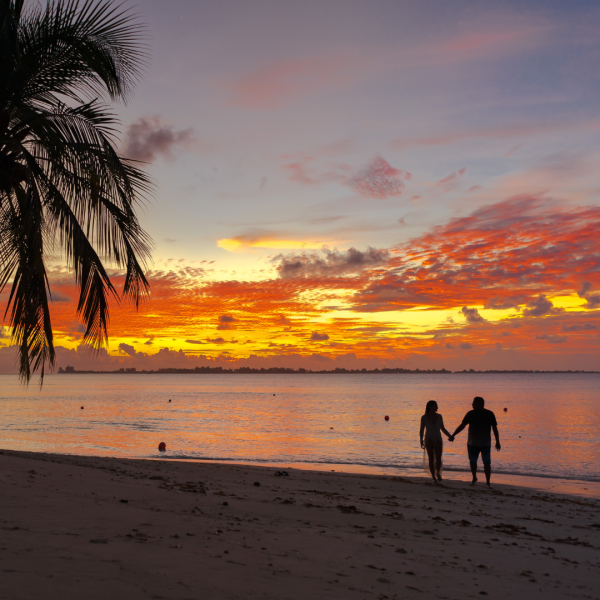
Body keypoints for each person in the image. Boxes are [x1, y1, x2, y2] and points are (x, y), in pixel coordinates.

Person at [450, 396, 501, 488]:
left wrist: (497, 441)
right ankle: (474, 478)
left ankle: (488, 482)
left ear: (480, 404)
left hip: (485, 443)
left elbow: (495, 428)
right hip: (472, 442)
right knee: (473, 461)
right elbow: (462, 425)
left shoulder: (489, 414)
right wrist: (453, 435)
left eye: (474, 403)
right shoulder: (470, 413)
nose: (472, 404)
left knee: (487, 462)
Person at [419, 400, 453, 484]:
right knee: (431, 458)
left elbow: (443, 428)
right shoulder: (424, 417)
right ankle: (433, 477)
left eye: (436, 406)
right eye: (435, 406)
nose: (437, 407)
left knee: (438, 458)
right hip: (428, 439)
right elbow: (422, 430)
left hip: (438, 438)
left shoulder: (439, 416)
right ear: (430, 407)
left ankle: (438, 473)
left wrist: (450, 436)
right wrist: (421, 440)